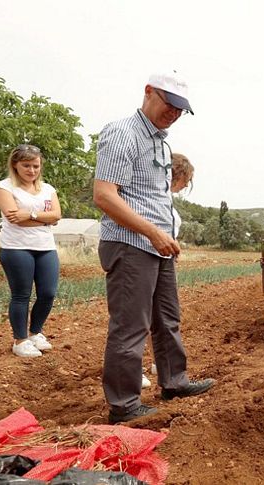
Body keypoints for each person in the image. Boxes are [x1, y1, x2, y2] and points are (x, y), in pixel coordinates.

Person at [93, 71, 214, 424]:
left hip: (157, 247)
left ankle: (174, 381)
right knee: (130, 326)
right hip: (131, 244)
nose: (174, 113)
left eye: (181, 109)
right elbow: (104, 195)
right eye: (170, 104)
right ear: (148, 92)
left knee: (167, 318)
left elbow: (155, 197)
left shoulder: (160, 141)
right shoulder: (122, 133)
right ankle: (124, 405)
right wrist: (152, 232)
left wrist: (165, 235)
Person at [0, 144, 62, 358]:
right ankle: (20, 340)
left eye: (36, 166)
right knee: (21, 295)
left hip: (46, 248)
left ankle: (35, 333)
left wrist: (29, 215)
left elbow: (57, 215)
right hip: (16, 248)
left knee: (48, 294)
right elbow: (15, 219)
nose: (32, 170)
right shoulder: (3, 187)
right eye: (26, 166)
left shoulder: (48, 189)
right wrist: (43, 218)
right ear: (15, 165)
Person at [141, 152, 195, 389]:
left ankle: (164, 369)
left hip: (164, 260)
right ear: (177, 174)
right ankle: (134, 370)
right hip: (143, 256)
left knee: (164, 317)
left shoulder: (167, 200)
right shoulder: (147, 196)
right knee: (138, 318)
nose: (185, 186)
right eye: (187, 180)